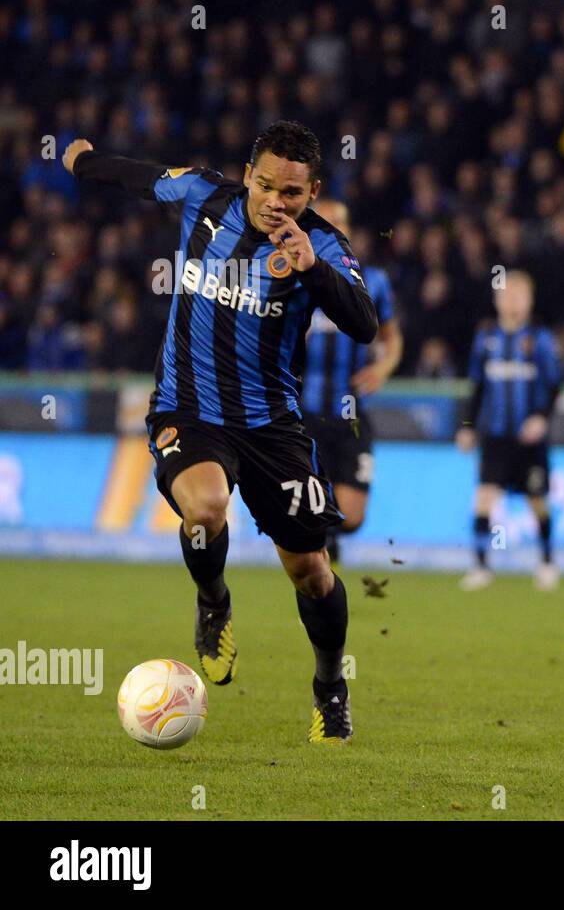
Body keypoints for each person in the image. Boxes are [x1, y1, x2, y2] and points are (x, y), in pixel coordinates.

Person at [64, 121, 377, 743]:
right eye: (265, 185)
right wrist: (84, 162)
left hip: (271, 427)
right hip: (189, 407)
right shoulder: (203, 197)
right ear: (248, 173)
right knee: (205, 509)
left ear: (311, 190)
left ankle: (328, 688)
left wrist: (313, 269)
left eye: (291, 193)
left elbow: (365, 323)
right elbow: (141, 177)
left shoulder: (324, 245)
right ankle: (214, 601)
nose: (275, 203)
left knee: (312, 571)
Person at [301, 198, 403, 565]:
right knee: (309, 508)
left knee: (352, 515)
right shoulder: (290, 277)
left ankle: (328, 539)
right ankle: (318, 572)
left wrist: (383, 368)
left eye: (337, 223)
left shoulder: (372, 281)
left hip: (352, 414)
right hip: (307, 413)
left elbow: (392, 337)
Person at [456, 270, 564, 591]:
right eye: (507, 296)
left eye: (519, 296)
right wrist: (467, 427)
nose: (513, 302)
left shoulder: (540, 339)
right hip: (495, 436)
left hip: (529, 439)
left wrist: (541, 418)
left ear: (529, 301)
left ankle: (546, 561)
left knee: (536, 500)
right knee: (484, 497)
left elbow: (557, 384)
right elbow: (476, 388)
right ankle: (480, 565)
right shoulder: (486, 338)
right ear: (497, 300)